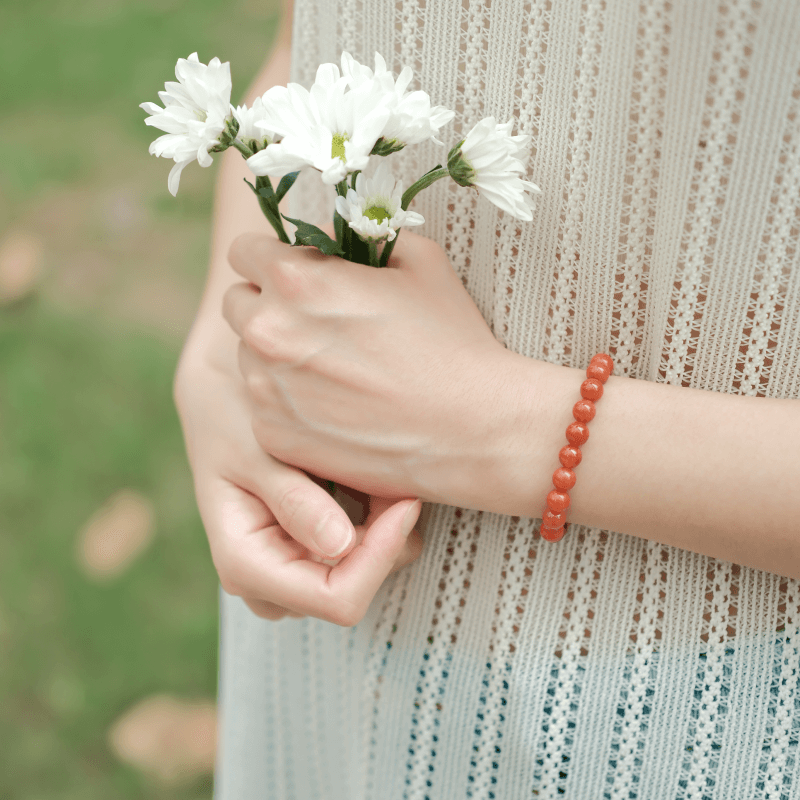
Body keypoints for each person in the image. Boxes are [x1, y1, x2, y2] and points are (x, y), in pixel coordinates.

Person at [174, 0, 800, 797]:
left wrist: (505, 428)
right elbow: (308, 42)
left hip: (682, 712)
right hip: (323, 653)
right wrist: (225, 361)